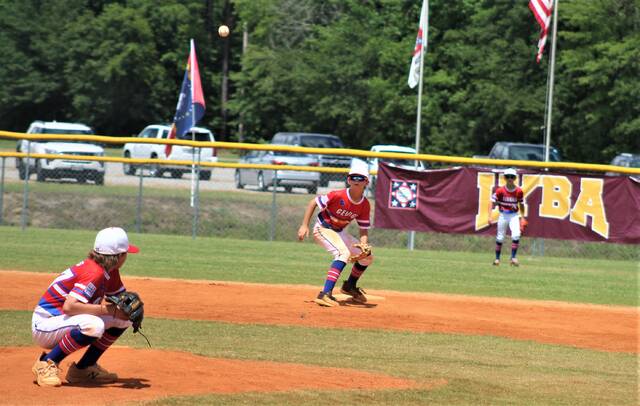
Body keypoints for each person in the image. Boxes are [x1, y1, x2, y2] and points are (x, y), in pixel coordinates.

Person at [31, 227, 139, 387]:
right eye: (125, 253)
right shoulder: (93, 272)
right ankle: (46, 363)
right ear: (118, 256)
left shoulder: (110, 271)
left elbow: (121, 299)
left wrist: (132, 309)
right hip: (46, 324)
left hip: (64, 321)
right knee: (94, 325)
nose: (127, 256)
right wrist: (106, 310)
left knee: (123, 320)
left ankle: (83, 368)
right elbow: (70, 306)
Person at [297, 159, 374, 307]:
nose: (356, 180)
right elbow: (314, 202)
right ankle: (325, 294)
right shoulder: (338, 195)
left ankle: (349, 286)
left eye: (361, 178)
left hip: (340, 232)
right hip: (323, 229)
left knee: (368, 258)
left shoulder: (364, 204)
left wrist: (363, 246)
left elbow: (363, 227)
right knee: (342, 253)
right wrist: (304, 225)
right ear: (348, 180)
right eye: (353, 177)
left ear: (366, 182)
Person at [488, 168, 526, 266]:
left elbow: (521, 204)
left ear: (515, 178)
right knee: (500, 237)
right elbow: (491, 202)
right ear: (504, 178)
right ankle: (497, 259)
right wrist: (490, 216)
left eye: (512, 177)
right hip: (503, 215)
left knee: (516, 234)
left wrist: (522, 217)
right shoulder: (500, 190)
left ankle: (513, 258)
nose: (510, 179)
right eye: (507, 176)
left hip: (514, 215)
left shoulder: (518, 191)